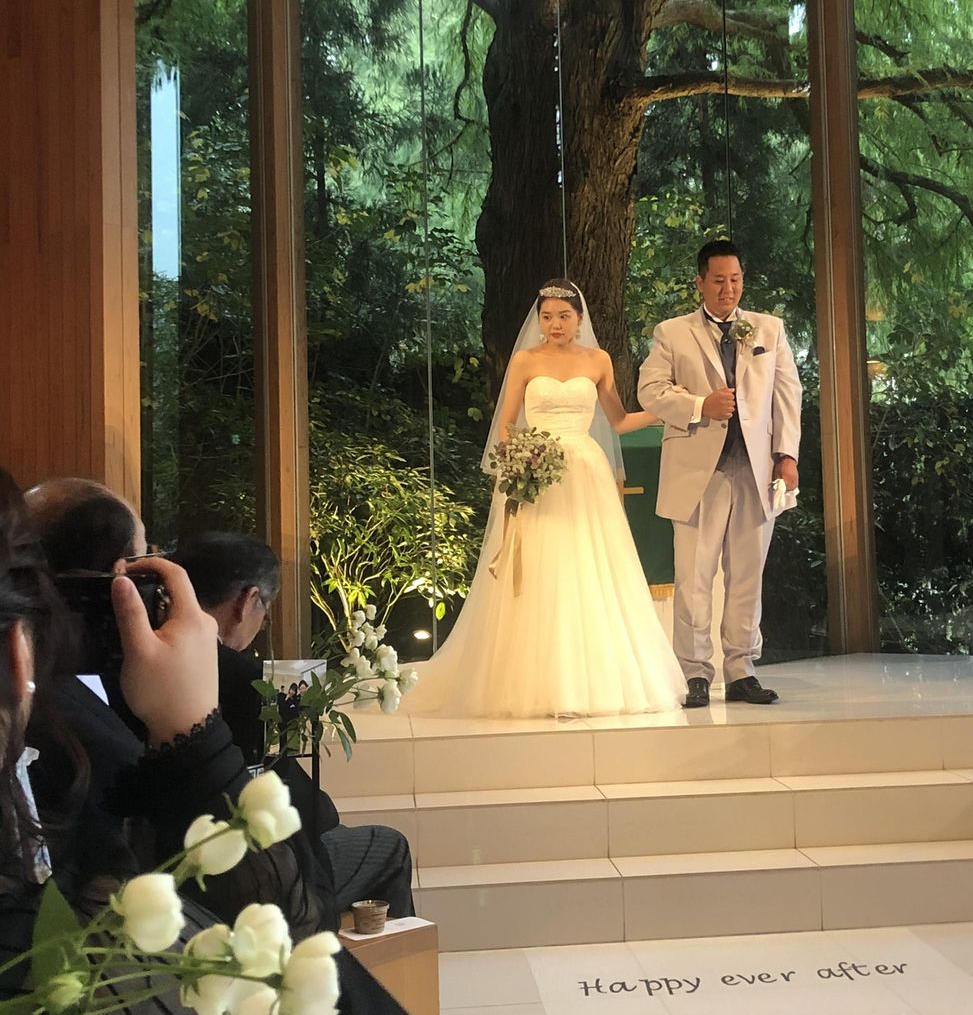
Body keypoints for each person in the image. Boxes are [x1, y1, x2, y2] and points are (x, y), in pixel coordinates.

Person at [5, 473, 402, 1011]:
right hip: (209, 911)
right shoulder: (233, 683)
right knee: (385, 848)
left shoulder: (55, 706)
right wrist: (194, 737)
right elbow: (297, 936)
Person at [401, 277, 686, 718]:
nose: (555, 324)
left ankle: (590, 682)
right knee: (539, 568)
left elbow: (619, 421)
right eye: (547, 316)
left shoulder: (598, 361)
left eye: (564, 316)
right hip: (537, 469)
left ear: (579, 318)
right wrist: (517, 461)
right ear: (538, 320)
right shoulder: (525, 360)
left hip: (585, 473)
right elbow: (505, 421)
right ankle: (531, 683)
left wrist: (669, 409)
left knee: (586, 567)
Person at [169, 530, 416, 920]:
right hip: (248, 877)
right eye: (265, 609)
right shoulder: (251, 684)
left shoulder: (142, 665)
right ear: (247, 601)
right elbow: (300, 804)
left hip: (174, 861)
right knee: (389, 846)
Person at [638, 240, 803, 708]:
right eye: (718, 280)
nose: (728, 289)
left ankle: (741, 670)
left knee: (747, 574)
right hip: (698, 471)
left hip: (755, 469)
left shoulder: (769, 329)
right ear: (700, 283)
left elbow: (787, 395)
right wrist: (699, 405)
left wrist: (786, 455)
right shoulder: (672, 333)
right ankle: (694, 672)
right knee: (694, 576)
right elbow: (649, 390)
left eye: (735, 279)